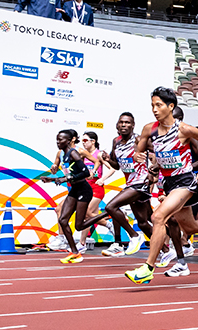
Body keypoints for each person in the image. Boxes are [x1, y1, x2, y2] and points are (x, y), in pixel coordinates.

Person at [124, 87, 198, 285]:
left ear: (170, 106)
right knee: (190, 227)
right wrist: (138, 156)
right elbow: (138, 152)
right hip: (167, 183)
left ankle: (148, 268)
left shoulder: (184, 129)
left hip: (185, 183)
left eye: (158, 105)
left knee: (158, 216)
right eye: (152, 106)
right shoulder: (150, 129)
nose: (154, 109)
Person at [79, 113, 151, 258]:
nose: (124, 125)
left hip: (141, 183)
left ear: (133, 125)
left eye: (127, 122)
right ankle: (168, 249)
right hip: (131, 183)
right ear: (117, 125)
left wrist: (153, 169)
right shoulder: (116, 141)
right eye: (121, 122)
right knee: (144, 221)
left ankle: (134, 236)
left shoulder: (138, 139)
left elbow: (157, 153)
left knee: (111, 207)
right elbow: (116, 165)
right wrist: (106, 158)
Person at [36, 129, 97, 264]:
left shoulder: (74, 153)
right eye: (57, 139)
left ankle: (107, 214)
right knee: (63, 220)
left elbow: (85, 173)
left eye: (61, 139)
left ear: (69, 141)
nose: (58, 142)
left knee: (79, 226)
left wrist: (66, 179)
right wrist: (51, 179)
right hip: (74, 190)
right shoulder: (63, 155)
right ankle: (75, 253)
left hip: (84, 190)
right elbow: (69, 175)